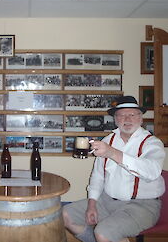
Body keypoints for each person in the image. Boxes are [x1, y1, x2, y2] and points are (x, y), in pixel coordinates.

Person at [62, 95, 166, 242]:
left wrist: (112, 153)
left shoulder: (152, 143)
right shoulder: (108, 140)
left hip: (141, 206)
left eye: (132, 114)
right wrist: (92, 204)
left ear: (141, 118)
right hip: (106, 201)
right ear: (115, 120)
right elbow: (98, 176)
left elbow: (152, 171)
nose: (127, 119)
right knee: (66, 214)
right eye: (121, 115)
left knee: (104, 233)